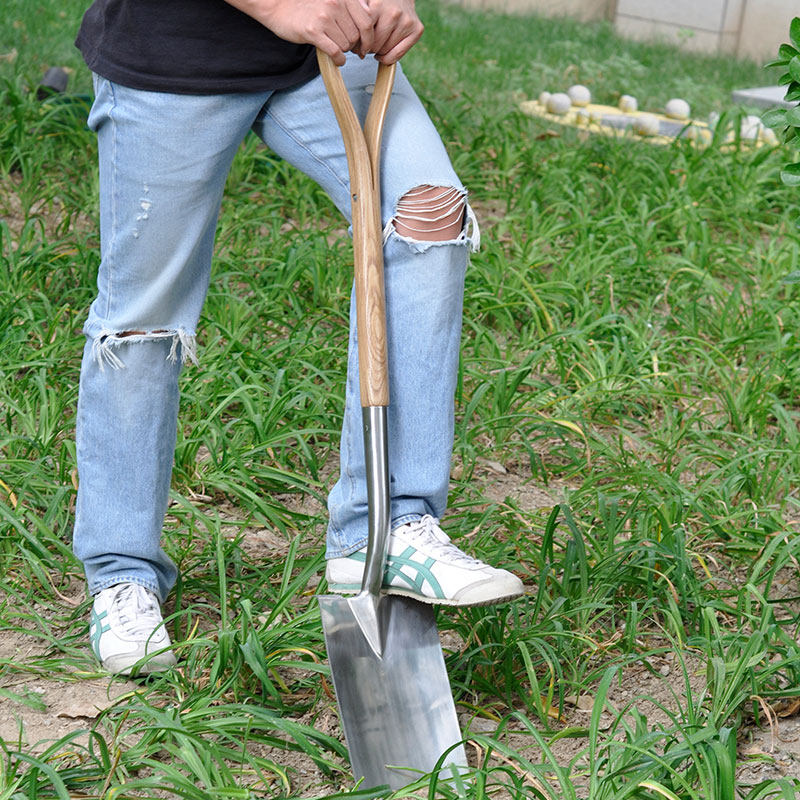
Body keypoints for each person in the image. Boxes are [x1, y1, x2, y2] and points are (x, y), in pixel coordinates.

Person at [73, 0, 524, 676]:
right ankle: (121, 572)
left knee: (429, 211)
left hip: (330, 52)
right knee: (147, 315)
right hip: (175, 54)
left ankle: (387, 525)